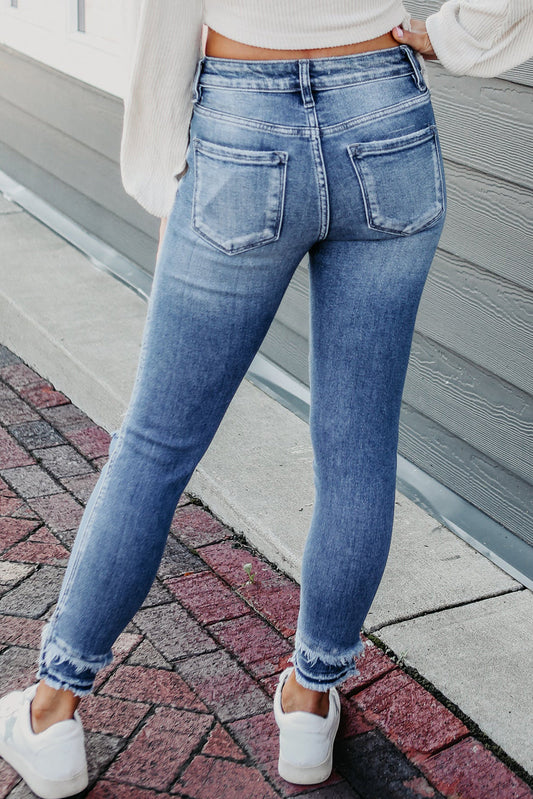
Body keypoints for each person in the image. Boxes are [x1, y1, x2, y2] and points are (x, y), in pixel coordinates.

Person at [1, 1, 532, 797]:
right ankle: (311, 701)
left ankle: (51, 713)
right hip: (382, 106)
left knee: (155, 445)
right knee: (358, 447)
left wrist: (164, 160)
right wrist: (455, 34)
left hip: (244, 115)